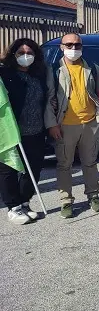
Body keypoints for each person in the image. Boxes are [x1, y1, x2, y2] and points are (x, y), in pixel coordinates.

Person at [45, 33, 99, 219]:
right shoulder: (54, 69)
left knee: (90, 162)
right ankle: (66, 201)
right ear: (61, 47)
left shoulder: (91, 68)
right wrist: (52, 124)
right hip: (65, 125)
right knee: (65, 164)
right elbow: (49, 99)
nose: (73, 48)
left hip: (90, 124)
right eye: (69, 45)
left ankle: (93, 196)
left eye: (77, 45)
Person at [0, 39, 53, 224]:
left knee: (33, 170)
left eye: (29, 53)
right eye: (20, 53)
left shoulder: (38, 75)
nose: (25, 56)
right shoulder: (4, 74)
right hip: (13, 132)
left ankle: (24, 202)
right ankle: (12, 207)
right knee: (9, 169)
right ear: (13, 55)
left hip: (36, 131)